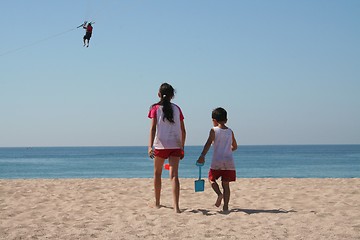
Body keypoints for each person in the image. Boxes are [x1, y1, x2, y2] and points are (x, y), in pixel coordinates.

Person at [148, 83, 186, 213]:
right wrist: (182, 147)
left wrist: (149, 146)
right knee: (174, 176)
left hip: (160, 145)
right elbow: (183, 130)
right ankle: (176, 207)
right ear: (172, 95)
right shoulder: (177, 109)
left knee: (157, 173)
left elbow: (153, 128)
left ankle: (157, 203)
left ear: (159, 94)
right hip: (175, 144)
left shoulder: (155, 108)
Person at [197, 107, 238, 212]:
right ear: (226, 120)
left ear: (214, 120)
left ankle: (219, 194)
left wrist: (202, 155)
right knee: (226, 184)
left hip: (217, 161)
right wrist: (228, 151)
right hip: (229, 161)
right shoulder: (230, 131)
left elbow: (208, 143)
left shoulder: (213, 130)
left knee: (211, 179)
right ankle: (226, 206)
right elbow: (235, 146)